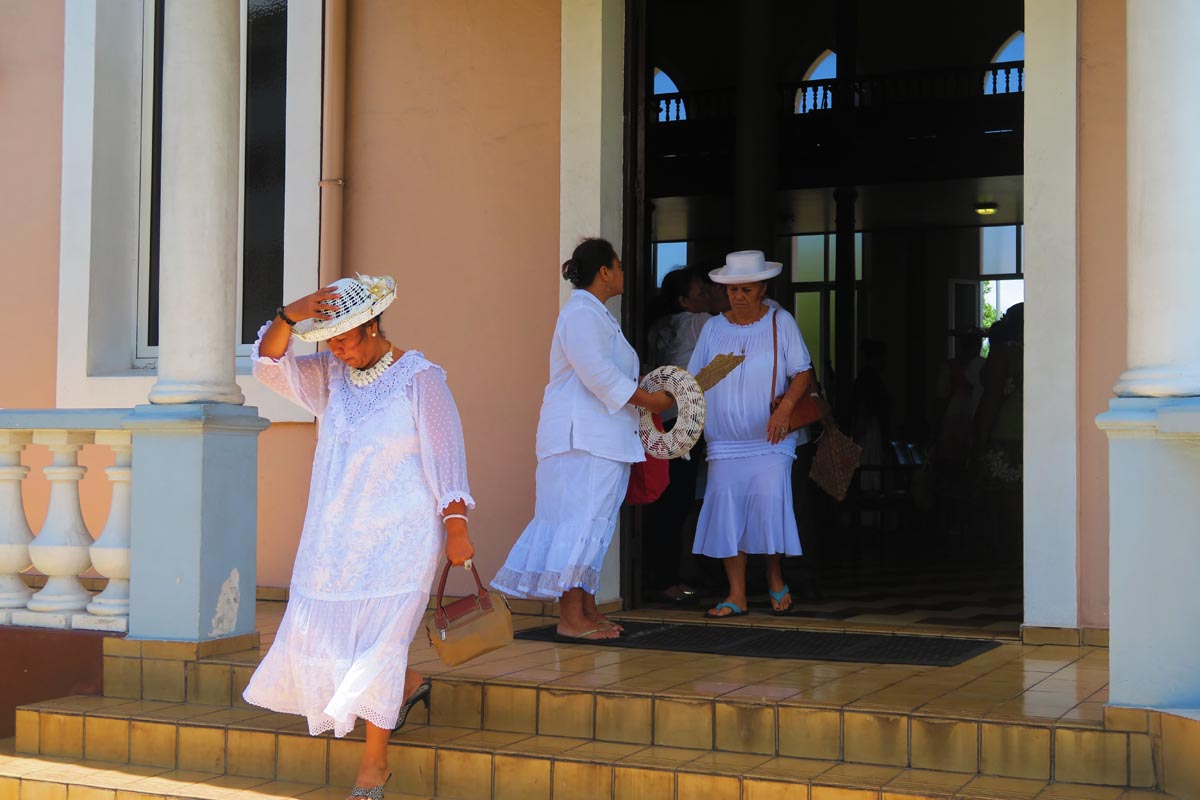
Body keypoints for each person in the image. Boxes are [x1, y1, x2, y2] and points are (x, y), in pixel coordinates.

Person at [242, 274, 476, 800]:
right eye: (331, 341)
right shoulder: (330, 377)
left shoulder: (421, 379)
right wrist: (291, 313)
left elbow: (447, 456)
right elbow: (266, 364)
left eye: (346, 338)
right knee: (330, 641)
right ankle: (407, 686)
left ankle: (374, 765)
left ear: (372, 325)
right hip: (335, 537)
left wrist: (456, 525)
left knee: (381, 644)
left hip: (401, 538)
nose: (339, 351)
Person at [492, 238, 673, 638]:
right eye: (619, 266)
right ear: (605, 272)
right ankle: (571, 617)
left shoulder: (596, 315)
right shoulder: (580, 314)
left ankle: (587, 610)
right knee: (579, 522)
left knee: (595, 523)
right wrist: (651, 401)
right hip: (582, 439)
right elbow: (599, 376)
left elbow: (611, 376)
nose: (624, 273)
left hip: (601, 437)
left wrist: (648, 391)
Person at [687, 250, 813, 617]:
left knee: (767, 507)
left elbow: (802, 372)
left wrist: (786, 410)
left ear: (761, 289)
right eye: (731, 290)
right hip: (724, 442)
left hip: (770, 440)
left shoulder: (780, 321)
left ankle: (775, 578)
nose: (737, 297)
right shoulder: (713, 328)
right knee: (727, 511)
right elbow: (696, 380)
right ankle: (736, 593)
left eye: (745, 289)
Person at [642, 265, 714, 602]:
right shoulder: (701, 324)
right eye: (702, 292)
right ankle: (667, 580)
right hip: (685, 421)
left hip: (662, 417)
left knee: (663, 498)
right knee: (678, 501)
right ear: (685, 301)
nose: (710, 296)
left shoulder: (660, 327)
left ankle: (658, 574)